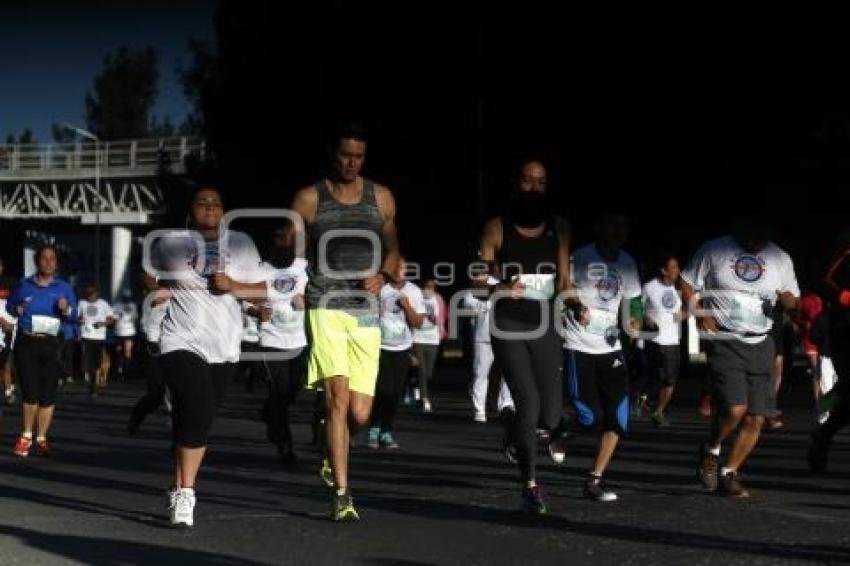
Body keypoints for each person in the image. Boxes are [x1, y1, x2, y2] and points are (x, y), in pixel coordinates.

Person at [291, 122, 401, 521]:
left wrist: (384, 275)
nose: (352, 163)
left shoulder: (381, 198)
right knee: (338, 399)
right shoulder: (308, 198)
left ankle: (328, 444)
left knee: (359, 414)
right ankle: (342, 492)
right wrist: (286, 241)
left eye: (359, 156)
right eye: (345, 155)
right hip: (325, 305)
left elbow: (393, 252)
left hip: (365, 311)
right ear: (332, 154)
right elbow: (290, 247)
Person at [151, 184, 266, 527]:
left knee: (195, 417)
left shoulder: (242, 243)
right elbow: (147, 273)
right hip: (179, 339)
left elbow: (261, 292)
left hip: (225, 345)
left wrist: (234, 287)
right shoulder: (170, 242)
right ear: (191, 211)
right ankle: (186, 494)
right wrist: (155, 287)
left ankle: (176, 482)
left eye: (216, 203)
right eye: (202, 203)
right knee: (198, 409)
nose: (210, 207)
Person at [477, 159, 570, 514]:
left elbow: (563, 280)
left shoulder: (559, 227)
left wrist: (573, 303)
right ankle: (529, 484)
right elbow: (476, 275)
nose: (534, 187)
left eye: (541, 182)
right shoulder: (496, 228)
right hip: (509, 324)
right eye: (528, 181)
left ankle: (513, 428)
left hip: (546, 324)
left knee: (550, 415)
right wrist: (500, 285)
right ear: (516, 184)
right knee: (529, 404)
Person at [683, 218, 800, 498]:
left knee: (756, 417)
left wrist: (788, 301)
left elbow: (794, 300)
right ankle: (712, 449)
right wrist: (699, 311)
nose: (759, 237)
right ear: (740, 227)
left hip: (761, 341)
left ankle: (729, 472)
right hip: (725, 338)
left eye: (764, 231)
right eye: (754, 229)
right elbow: (687, 282)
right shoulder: (714, 250)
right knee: (735, 408)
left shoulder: (780, 258)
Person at [562, 212, 641, 502]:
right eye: (613, 225)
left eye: (623, 226)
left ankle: (594, 480)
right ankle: (565, 430)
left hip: (610, 347)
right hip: (578, 344)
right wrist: (575, 303)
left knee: (618, 419)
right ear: (600, 228)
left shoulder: (628, 263)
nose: (619, 231)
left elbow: (633, 300)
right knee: (589, 417)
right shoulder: (581, 257)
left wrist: (634, 322)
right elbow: (561, 287)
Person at [5, 244, 78, 457]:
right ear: (37, 261)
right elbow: (10, 306)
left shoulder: (63, 287)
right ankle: (26, 435)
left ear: (56, 263)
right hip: (27, 342)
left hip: (51, 343)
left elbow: (74, 316)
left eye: (52, 259)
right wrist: (16, 309)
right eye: (44, 258)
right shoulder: (24, 285)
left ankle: (41, 438)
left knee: (48, 393)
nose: (48, 262)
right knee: (30, 391)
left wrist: (67, 309)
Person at [256, 223, 309, 464]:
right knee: (278, 393)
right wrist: (256, 311)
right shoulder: (260, 269)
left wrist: (305, 300)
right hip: (272, 340)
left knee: (293, 389)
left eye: (288, 238)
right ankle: (283, 444)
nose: (283, 242)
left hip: (299, 340)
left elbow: (316, 294)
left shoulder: (303, 267)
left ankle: (269, 412)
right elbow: (243, 299)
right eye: (279, 237)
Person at [368, 257, 425, 449]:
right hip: (381, 346)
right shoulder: (381, 289)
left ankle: (386, 431)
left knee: (394, 393)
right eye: (397, 266)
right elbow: (368, 315)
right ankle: (374, 428)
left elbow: (418, 323)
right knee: (382, 390)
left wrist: (407, 306)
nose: (401, 269)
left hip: (402, 349)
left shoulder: (414, 291)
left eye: (404, 266)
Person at [809, 229, 850, 472]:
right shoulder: (844, 251)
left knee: (846, 393)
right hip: (845, 334)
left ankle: (823, 433)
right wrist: (843, 297)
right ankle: (823, 428)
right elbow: (818, 280)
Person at [641, 252, 685, 427]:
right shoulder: (649, 287)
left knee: (670, 380)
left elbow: (680, 313)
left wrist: (685, 314)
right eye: (673, 267)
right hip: (655, 340)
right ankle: (641, 399)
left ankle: (658, 411)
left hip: (673, 340)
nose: (677, 271)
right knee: (655, 378)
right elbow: (637, 306)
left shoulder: (678, 288)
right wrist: (645, 318)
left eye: (677, 267)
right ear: (664, 270)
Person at [127, 273, 171, 435]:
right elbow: (145, 277)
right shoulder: (153, 296)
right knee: (155, 395)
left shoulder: (180, 294)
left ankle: (180, 427)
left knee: (181, 389)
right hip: (153, 348)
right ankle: (136, 417)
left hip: (176, 347)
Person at [462, 288, 514, 423]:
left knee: (509, 373)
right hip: (484, 338)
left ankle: (505, 406)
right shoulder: (473, 292)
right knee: (480, 374)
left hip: (506, 337)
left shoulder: (507, 288)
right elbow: (469, 305)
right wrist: (491, 300)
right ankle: (479, 410)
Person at [411, 278, 445, 413]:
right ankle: (425, 399)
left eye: (432, 287)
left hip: (433, 339)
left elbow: (442, 317)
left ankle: (415, 384)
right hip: (418, 338)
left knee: (429, 373)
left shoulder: (438, 299)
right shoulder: (415, 298)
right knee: (422, 370)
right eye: (428, 286)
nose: (430, 289)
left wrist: (439, 324)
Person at [78, 286, 114, 396]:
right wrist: (80, 320)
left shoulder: (103, 304)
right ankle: (92, 386)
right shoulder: (82, 303)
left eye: (92, 293)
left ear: (97, 294)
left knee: (98, 362)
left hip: (99, 337)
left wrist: (102, 324)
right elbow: (77, 316)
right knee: (88, 362)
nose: (90, 296)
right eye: (88, 293)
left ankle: (95, 382)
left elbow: (111, 319)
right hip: (86, 335)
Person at [112, 289, 138, 380]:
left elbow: (135, 317)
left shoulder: (132, 305)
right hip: (119, 331)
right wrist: (118, 316)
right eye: (125, 298)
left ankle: (127, 372)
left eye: (128, 298)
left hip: (129, 332)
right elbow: (113, 317)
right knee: (118, 351)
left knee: (127, 352)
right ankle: (119, 370)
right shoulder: (117, 305)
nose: (127, 300)